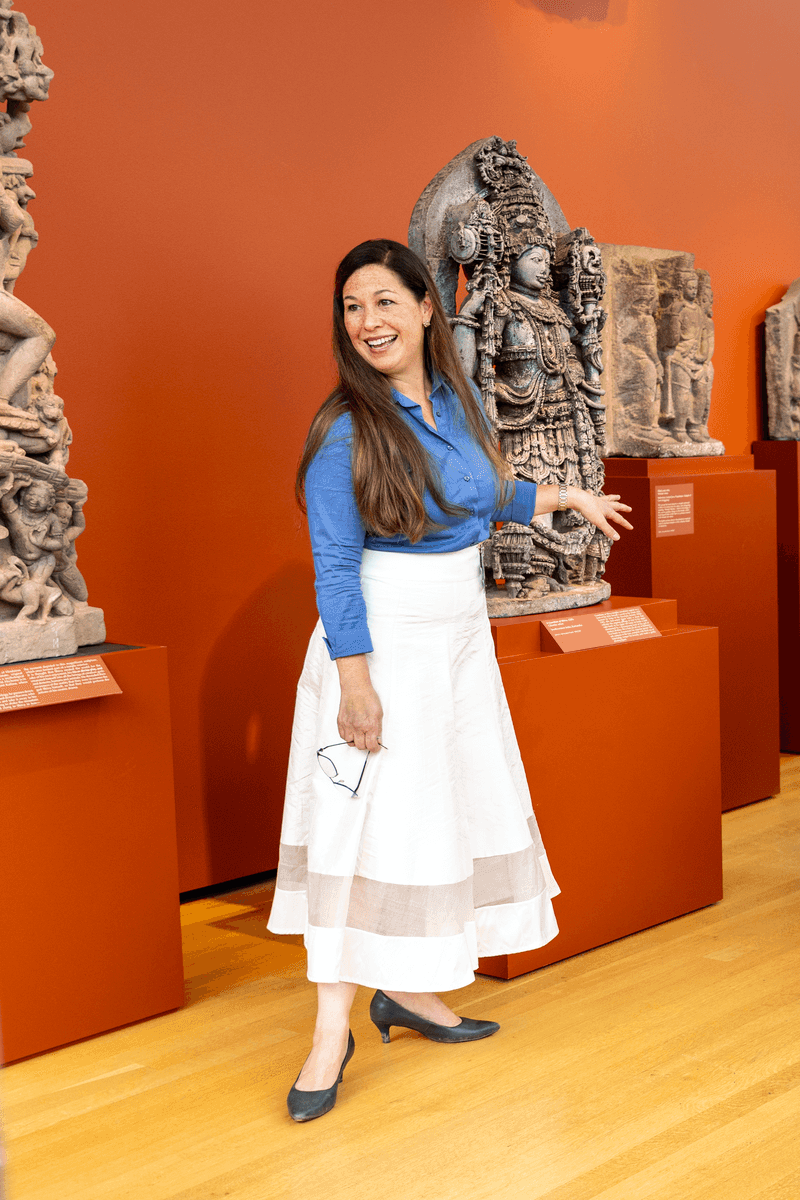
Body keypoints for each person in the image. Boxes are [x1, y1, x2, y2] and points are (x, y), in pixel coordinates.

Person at [273, 239, 632, 1123]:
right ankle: (330, 1033)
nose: (368, 322)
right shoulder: (345, 429)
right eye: (352, 306)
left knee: (438, 817)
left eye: (385, 302)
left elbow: (481, 492)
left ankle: (409, 992)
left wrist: (567, 498)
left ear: (426, 307)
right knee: (360, 831)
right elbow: (335, 568)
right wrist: (356, 686)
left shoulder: (453, 397)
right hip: (382, 645)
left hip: (459, 639)